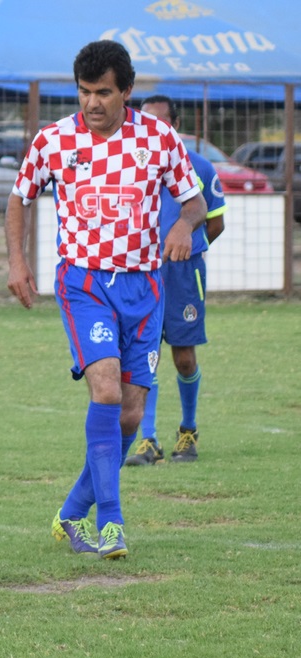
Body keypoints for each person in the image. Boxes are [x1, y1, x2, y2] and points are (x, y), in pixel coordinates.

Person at [5, 40, 207, 559]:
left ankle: (71, 512)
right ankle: (111, 523)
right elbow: (19, 198)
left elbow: (195, 202)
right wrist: (17, 262)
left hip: (145, 287)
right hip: (85, 284)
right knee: (107, 390)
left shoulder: (158, 138)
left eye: (103, 93)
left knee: (131, 415)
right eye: (84, 92)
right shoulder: (54, 140)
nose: (92, 103)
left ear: (126, 92)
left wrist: (183, 226)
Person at [125, 95, 226, 465]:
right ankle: (148, 441)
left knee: (184, 357)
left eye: (160, 122)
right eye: (145, 121)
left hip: (184, 273)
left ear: (175, 126)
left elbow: (215, 223)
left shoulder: (200, 167)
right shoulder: (129, 166)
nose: (152, 129)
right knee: (145, 355)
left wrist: (188, 247)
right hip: (142, 271)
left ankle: (188, 431)